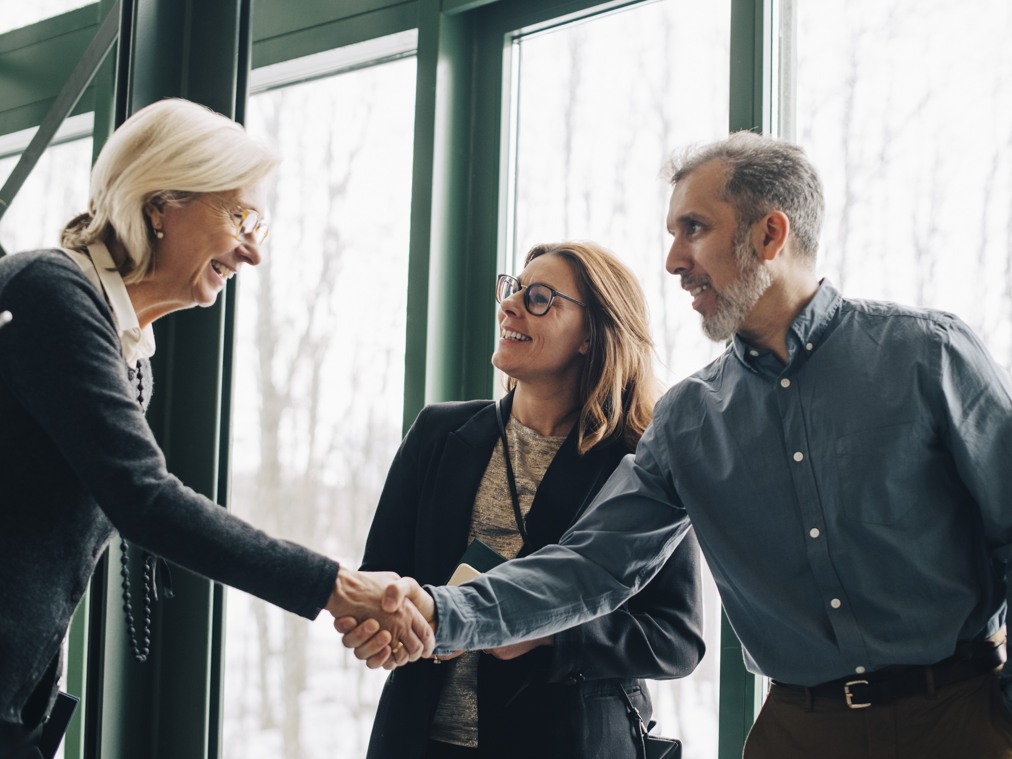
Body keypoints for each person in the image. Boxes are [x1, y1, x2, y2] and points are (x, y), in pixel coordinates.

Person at [344, 131, 1012, 758]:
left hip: (961, 713)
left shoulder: (928, 355)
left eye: (693, 229)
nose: (672, 262)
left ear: (770, 232)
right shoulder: (689, 417)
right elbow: (592, 564)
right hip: (797, 729)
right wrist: (443, 609)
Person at [0, 98, 432, 758]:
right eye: (238, 215)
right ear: (159, 204)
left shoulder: (128, 350)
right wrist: (338, 586)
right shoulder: (51, 293)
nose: (252, 249)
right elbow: (146, 501)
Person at [358, 241, 704, 759]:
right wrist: (386, 620)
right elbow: (382, 572)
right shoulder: (438, 431)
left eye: (540, 297)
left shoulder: (638, 463)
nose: (510, 304)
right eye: (513, 288)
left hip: (567, 742)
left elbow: (676, 638)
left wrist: (548, 635)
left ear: (592, 334)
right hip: (420, 738)